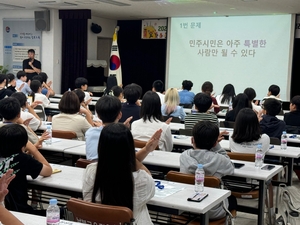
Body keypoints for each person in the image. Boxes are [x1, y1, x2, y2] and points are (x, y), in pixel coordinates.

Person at [83, 123, 159, 224]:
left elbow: (87, 199)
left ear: (101, 146)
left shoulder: (91, 171)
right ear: (130, 147)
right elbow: (148, 178)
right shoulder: (142, 179)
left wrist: (145, 150)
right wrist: (143, 151)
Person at [180, 121, 235, 220]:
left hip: (185, 207)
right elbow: (231, 168)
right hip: (212, 211)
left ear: (192, 140)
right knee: (232, 199)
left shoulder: (184, 156)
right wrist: (217, 147)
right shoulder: (219, 159)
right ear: (215, 143)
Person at [0, 124, 52, 214]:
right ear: (23, 145)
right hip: (19, 211)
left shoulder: (22, 158)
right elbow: (48, 170)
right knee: (62, 212)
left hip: (4, 208)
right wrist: (33, 149)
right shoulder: (23, 159)